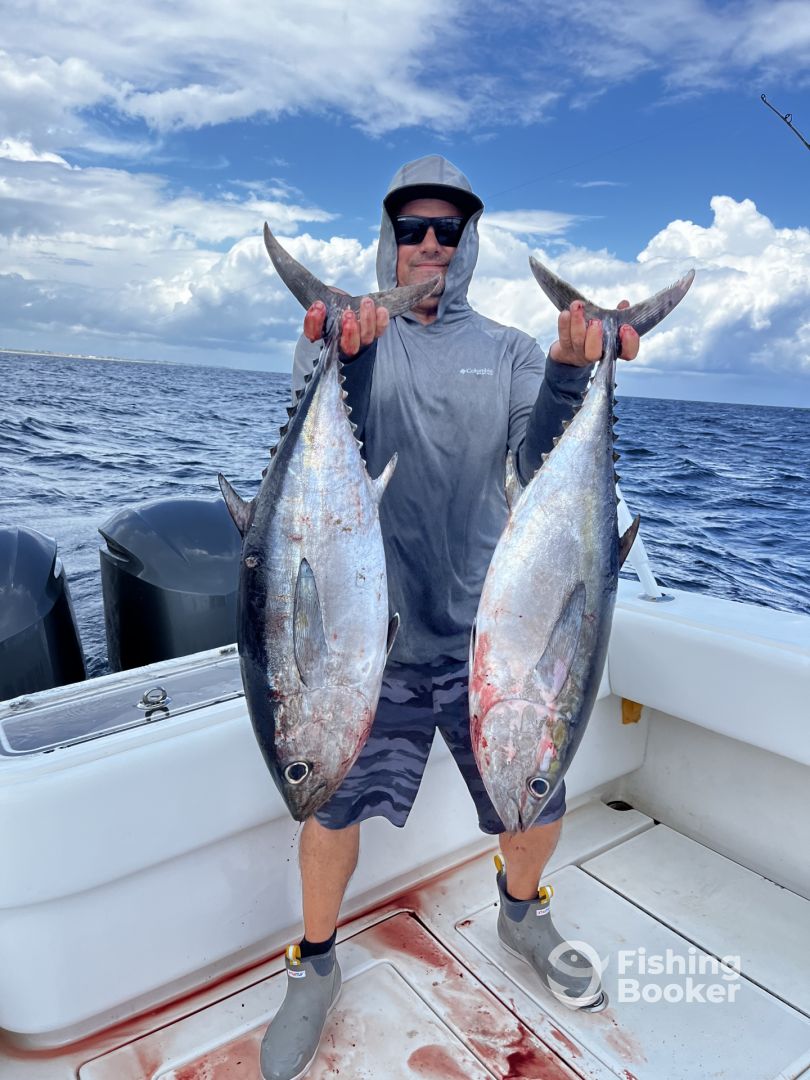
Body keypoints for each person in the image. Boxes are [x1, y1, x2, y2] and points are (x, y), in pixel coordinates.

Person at [261, 155, 640, 1080]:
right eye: (412, 229)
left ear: (468, 242)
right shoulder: (348, 334)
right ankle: (315, 964)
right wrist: (347, 355)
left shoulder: (511, 351)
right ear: (388, 238)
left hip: (489, 638)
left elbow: (538, 461)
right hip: (364, 644)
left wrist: (569, 369)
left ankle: (522, 916)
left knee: (536, 789)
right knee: (331, 806)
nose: (429, 244)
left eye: (447, 229)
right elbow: (336, 450)